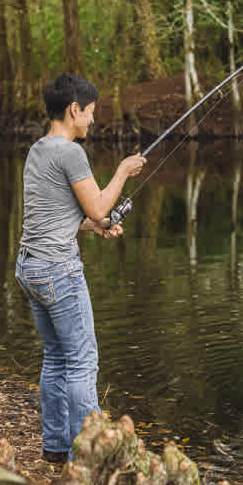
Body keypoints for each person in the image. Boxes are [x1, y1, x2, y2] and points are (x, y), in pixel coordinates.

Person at [15, 73, 146, 463]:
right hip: (59, 272)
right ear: (74, 109)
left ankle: (56, 448)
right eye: (90, 112)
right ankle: (89, 458)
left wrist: (91, 226)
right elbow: (99, 205)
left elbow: (57, 214)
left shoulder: (39, 149)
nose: (92, 120)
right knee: (82, 360)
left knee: (56, 357)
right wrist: (122, 172)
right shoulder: (71, 153)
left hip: (31, 267)